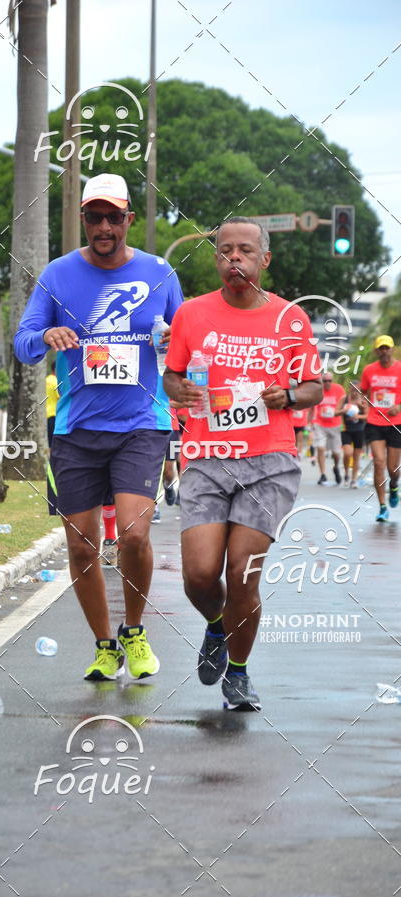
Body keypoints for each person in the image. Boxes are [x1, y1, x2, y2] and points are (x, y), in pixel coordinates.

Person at [14, 173, 184, 681]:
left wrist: (172, 343)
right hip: (76, 428)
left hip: (141, 422)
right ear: (83, 220)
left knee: (132, 533)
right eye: (95, 216)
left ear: (130, 219)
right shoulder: (58, 274)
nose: (105, 226)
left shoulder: (160, 272)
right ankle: (104, 644)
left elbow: (188, 345)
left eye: (114, 216)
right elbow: (23, 343)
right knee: (82, 544)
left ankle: (134, 630)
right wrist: (47, 333)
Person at [164, 216, 321, 711]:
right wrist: (181, 390)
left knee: (242, 571)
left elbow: (314, 386)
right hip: (207, 458)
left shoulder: (289, 319)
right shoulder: (191, 314)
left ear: (264, 259)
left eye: (246, 251)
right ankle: (216, 627)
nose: (235, 258)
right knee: (200, 575)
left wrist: (288, 394)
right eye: (226, 251)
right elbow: (170, 376)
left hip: (269, 461)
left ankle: (238, 672)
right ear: (216, 260)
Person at [359, 335, 401, 521]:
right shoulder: (369, 370)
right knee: (378, 462)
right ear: (376, 351)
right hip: (375, 421)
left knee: (393, 469)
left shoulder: (400, 368)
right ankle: (382, 506)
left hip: (395, 422)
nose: (384, 351)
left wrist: (399, 407)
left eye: (387, 348)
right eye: (381, 348)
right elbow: (363, 391)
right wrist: (363, 402)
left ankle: (394, 486)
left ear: (392, 349)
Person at [311, 371, 345, 485]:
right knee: (320, 448)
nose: (327, 383)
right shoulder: (318, 390)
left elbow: (342, 405)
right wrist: (312, 421)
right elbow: (314, 407)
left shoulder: (339, 389)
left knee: (336, 453)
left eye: (329, 381)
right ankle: (323, 474)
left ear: (332, 381)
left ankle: (335, 467)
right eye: (325, 381)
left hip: (335, 424)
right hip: (320, 423)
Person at [334, 381, 367, 488]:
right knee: (348, 453)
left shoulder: (363, 400)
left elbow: (368, 416)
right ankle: (346, 472)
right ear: (349, 389)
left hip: (359, 430)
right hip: (346, 429)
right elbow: (335, 413)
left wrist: (358, 416)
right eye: (352, 389)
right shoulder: (344, 399)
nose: (354, 392)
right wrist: (344, 410)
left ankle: (353, 480)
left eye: (356, 389)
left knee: (356, 456)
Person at [45, 360, 59, 447]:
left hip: (45, 415)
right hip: (54, 414)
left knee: (48, 442)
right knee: (54, 442)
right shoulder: (56, 381)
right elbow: (60, 397)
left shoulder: (46, 380)